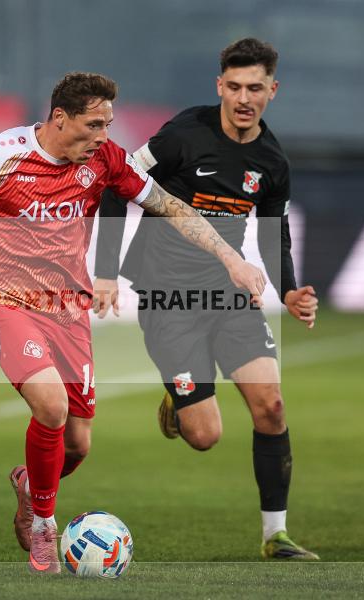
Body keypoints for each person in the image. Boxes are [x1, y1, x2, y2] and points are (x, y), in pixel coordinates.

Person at [0, 72, 266, 573]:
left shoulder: (105, 160)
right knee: (51, 407)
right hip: (6, 301)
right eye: (94, 124)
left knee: (76, 445)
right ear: (60, 118)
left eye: (109, 125)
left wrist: (231, 258)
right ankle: (44, 526)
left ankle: (30, 486)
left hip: (68, 310)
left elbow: (168, 206)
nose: (104, 135)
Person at [93, 38, 320, 560]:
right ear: (220, 85)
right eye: (234, 86)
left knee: (272, 405)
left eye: (255, 88)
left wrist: (289, 290)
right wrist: (105, 273)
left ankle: (275, 535)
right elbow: (115, 186)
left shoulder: (272, 160)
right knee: (204, 436)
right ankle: (179, 401)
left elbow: (274, 234)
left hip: (227, 293)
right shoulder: (182, 135)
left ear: (273, 90)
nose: (243, 98)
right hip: (167, 297)